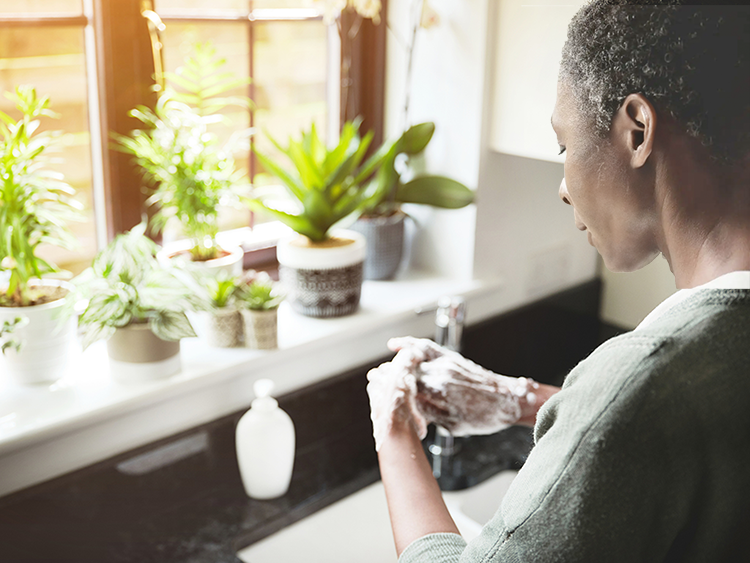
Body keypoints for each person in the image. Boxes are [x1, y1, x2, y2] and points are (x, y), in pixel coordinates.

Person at [366, 1, 750, 562]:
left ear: (638, 130)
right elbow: (680, 432)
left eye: (564, 145)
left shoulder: (645, 374)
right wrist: (519, 401)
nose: (564, 187)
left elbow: (633, 407)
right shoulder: (693, 367)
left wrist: (394, 432)